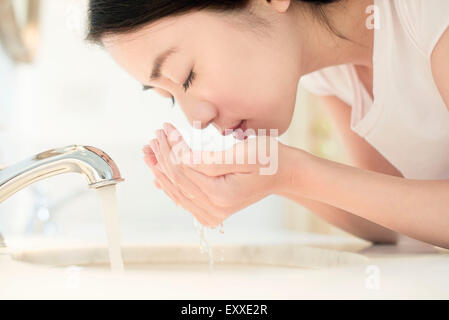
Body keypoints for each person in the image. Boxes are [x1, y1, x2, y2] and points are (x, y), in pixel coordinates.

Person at [87, 0, 449, 249]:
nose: (195, 119)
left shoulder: (425, 11)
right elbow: (389, 220)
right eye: (168, 95)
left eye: (186, 76)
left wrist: (294, 173)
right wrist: (268, 176)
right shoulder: (327, 73)